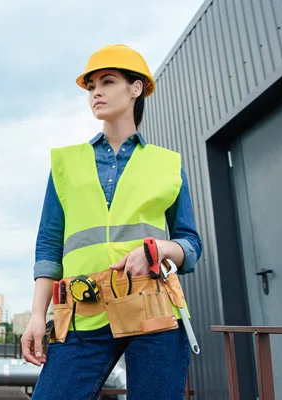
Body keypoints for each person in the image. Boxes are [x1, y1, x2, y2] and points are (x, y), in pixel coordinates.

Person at [20, 44, 203, 400]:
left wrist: (161, 248)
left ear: (136, 88)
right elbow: (49, 245)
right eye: (91, 87)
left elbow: (190, 243)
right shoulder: (66, 164)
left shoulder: (168, 164)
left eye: (107, 81)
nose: (96, 93)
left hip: (153, 310)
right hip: (81, 314)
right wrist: (36, 316)